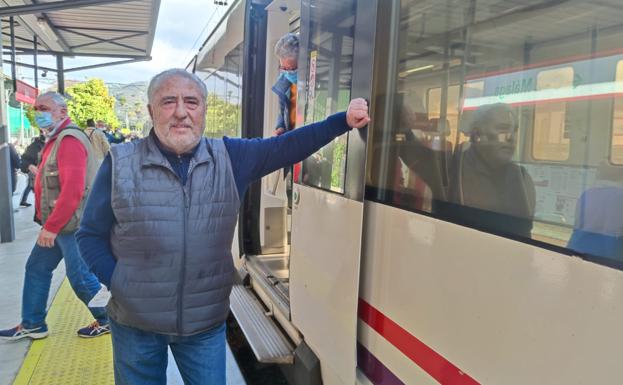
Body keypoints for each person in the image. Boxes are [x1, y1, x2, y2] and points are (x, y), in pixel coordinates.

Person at [76, 68, 369, 385]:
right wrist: (118, 281)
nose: (180, 112)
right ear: (150, 111)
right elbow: (90, 234)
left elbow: (287, 146)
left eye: (191, 102)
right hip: (135, 323)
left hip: (204, 323)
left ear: (203, 109)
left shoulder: (230, 157)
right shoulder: (120, 162)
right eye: (168, 102)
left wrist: (342, 121)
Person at [0, 92, 109, 341]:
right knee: (37, 268)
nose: (39, 113)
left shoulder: (69, 140)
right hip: (59, 224)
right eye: (37, 108)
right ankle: (33, 323)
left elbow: (73, 189)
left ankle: (108, 319)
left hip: (71, 224)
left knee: (81, 277)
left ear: (62, 111)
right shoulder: (55, 138)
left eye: (45, 108)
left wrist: (51, 227)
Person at [567, 163, 623, 262]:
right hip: (608, 254)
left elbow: (577, 224)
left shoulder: (588, 193)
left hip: (577, 248)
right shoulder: (620, 196)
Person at [272, 33, 299, 136]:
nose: (288, 73)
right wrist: (280, 126)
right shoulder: (284, 84)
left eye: (292, 69)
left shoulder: (313, 84)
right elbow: (282, 111)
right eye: (283, 68)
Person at [19, 133, 46, 207]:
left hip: (43, 175)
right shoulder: (35, 146)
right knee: (30, 186)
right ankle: (23, 201)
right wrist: (29, 166)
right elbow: (24, 160)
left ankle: (23, 200)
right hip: (35, 172)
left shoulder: (49, 143)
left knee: (30, 186)